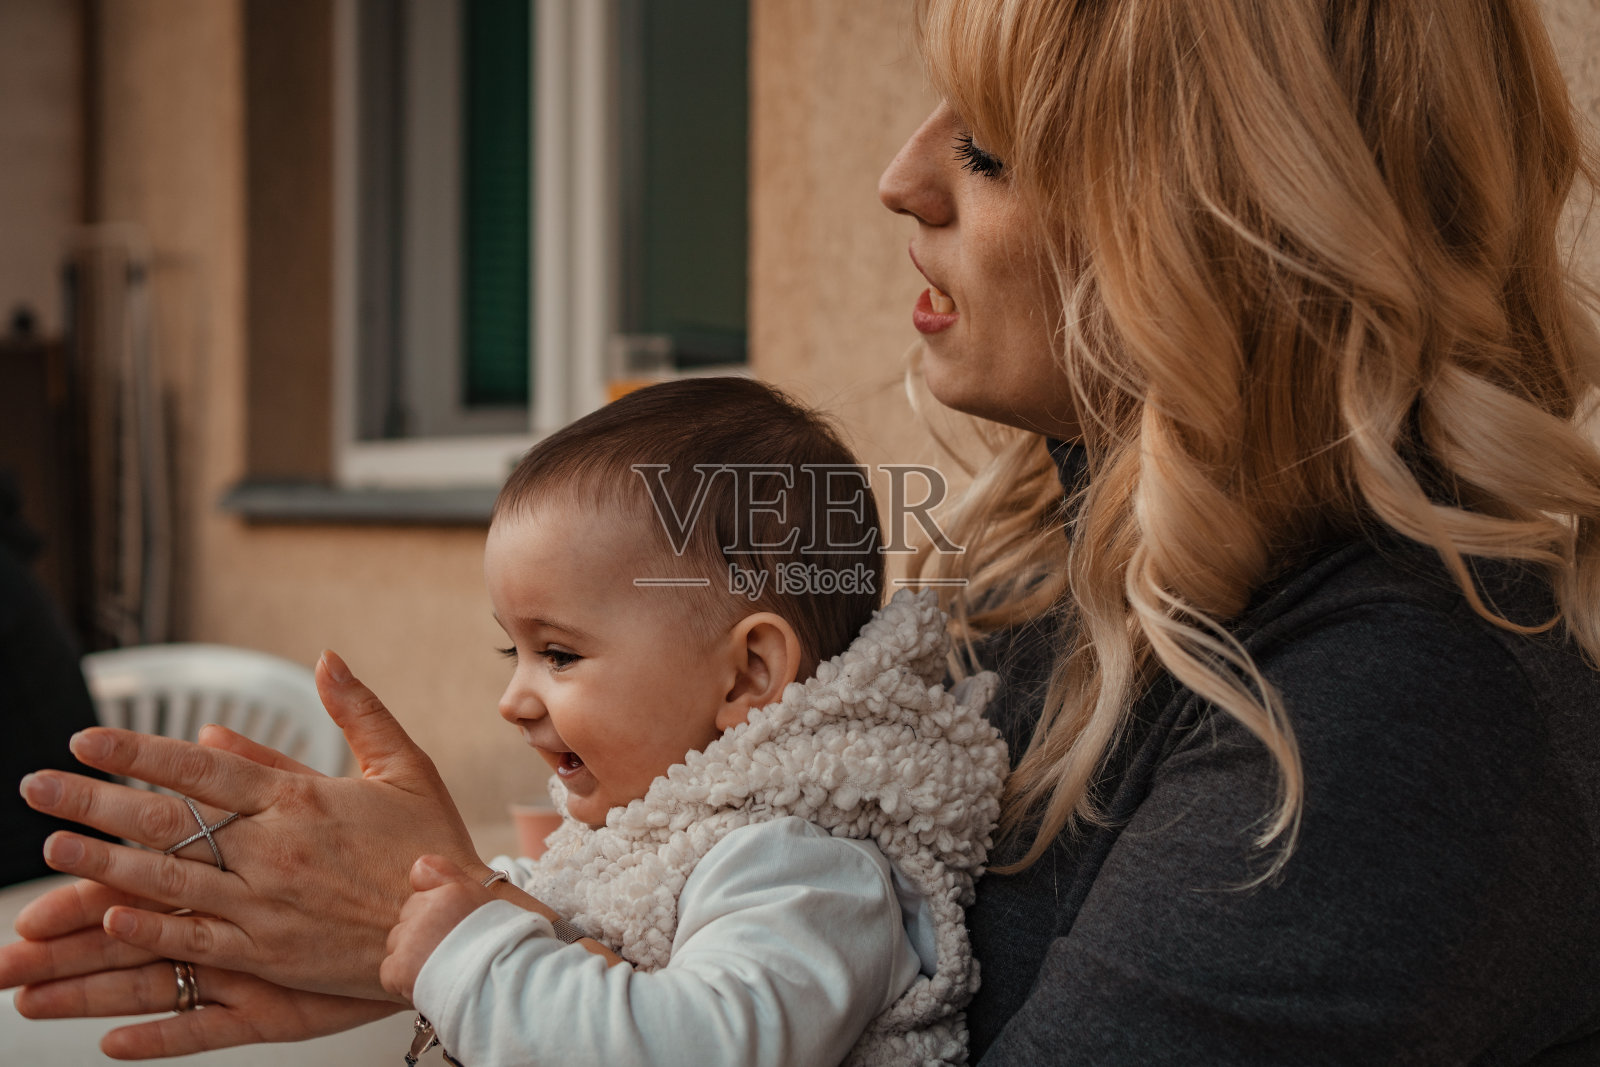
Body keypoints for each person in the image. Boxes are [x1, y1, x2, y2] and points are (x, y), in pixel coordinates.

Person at [5, 0, 1600, 1062]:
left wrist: (446, 937)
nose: (901, 176)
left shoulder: (1391, 709)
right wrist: (463, 924)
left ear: (1234, 218)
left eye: (987, 144)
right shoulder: (1035, 590)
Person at [11, 377, 1006, 1065]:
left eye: (559, 653)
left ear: (748, 672)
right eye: (511, 650)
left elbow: (694, 1045)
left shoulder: (806, 869)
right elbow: (572, 933)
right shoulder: (666, 845)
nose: (515, 696)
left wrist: (469, 948)